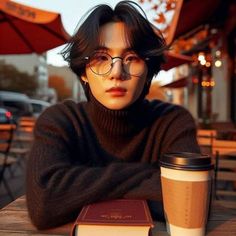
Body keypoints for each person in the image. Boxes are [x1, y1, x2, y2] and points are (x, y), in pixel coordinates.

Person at [26, 0, 200, 230]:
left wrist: (77, 190)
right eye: (101, 58)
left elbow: (192, 199)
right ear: (84, 73)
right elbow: (44, 202)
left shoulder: (172, 122)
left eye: (132, 58)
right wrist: (150, 175)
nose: (117, 72)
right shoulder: (60, 120)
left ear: (148, 71)